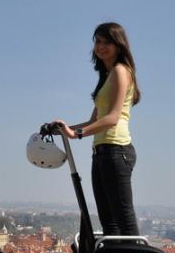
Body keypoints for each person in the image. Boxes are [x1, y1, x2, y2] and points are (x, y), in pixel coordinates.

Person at [51, 22, 141, 236]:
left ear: (119, 45)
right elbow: (94, 120)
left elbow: (112, 118)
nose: (100, 46)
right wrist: (63, 129)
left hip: (116, 150)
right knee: (108, 222)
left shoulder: (121, 71)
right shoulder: (107, 77)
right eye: (97, 42)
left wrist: (77, 134)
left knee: (124, 220)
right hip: (101, 151)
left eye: (106, 42)